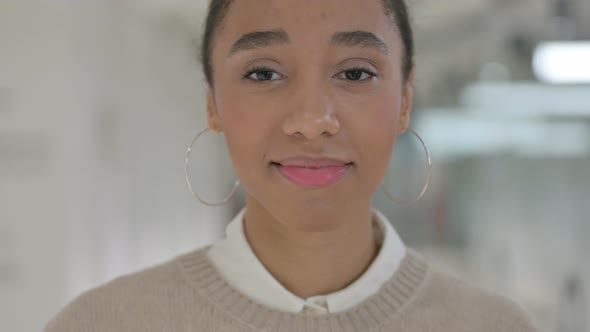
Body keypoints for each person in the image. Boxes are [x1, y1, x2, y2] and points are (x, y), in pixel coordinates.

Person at [45, 0, 540, 331]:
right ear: (213, 103)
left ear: (405, 100)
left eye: (355, 72)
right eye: (263, 72)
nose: (312, 121)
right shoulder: (103, 323)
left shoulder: (494, 325)